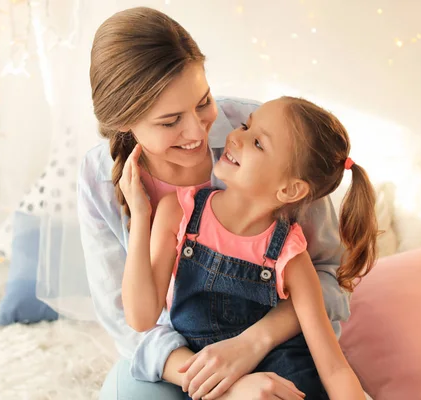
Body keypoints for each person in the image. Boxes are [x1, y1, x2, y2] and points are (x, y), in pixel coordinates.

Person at [78, 7, 351, 399]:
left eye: (203, 101)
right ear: (124, 121)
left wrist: (251, 344)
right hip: (179, 361)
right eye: (170, 121)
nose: (196, 132)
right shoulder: (99, 178)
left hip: (280, 348)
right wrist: (222, 382)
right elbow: (128, 322)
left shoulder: (264, 131)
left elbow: (332, 275)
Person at [120, 96, 378, 400]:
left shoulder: (291, 257)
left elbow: (334, 369)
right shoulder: (177, 213)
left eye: (258, 143)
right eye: (246, 126)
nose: (235, 136)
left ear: (290, 189)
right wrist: (140, 216)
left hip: (287, 383)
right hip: (214, 384)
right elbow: (141, 317)